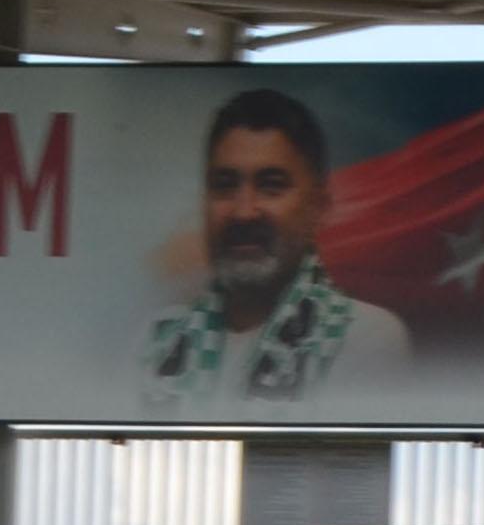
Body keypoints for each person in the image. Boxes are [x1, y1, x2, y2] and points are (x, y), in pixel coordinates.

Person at [141, 86, 410, 413]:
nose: (244, 211)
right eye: (225, 185)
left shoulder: (366, 337)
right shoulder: (155, 341)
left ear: (318, 208)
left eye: (271, 186)